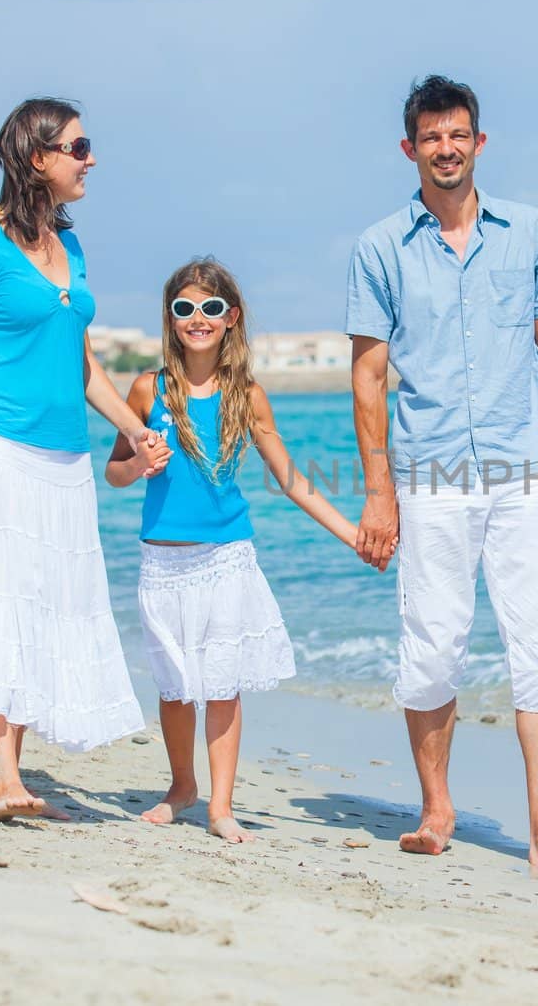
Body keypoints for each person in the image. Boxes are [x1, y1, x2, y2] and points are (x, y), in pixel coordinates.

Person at [345, 75, 538, 870]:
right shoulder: (379, 249)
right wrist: (378, 492)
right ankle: (437, 807)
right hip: (429, 473)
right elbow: (368, 377)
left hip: (520, 473)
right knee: (433, 647)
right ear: (410, 148)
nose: (445, 148)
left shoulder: (529, 231)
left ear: (479, 141)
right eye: (430, 137)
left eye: (458, 134)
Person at [0, 98, 172, 822]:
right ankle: (3, 780)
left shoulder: (70, 246)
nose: (91, 159)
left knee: (39, 608)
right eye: (79, 147)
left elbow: (84, 366)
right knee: (0, 603)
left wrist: (138, 428)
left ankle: (12, 774)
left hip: (65, 463)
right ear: (37, 157)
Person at [107, 257, 360, 842]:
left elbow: (291, 480)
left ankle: (220, 805)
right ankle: (181, 787)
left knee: (221, 685)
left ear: (231, 318)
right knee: (174, 687)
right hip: (162, 561)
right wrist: (140, 461)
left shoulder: (247, 394)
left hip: (225, 559)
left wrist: (351, 534)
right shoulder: (149, 388)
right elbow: (115, 473)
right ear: (170, 318)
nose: (198, 319)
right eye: (185, 308)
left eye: (211, 308)